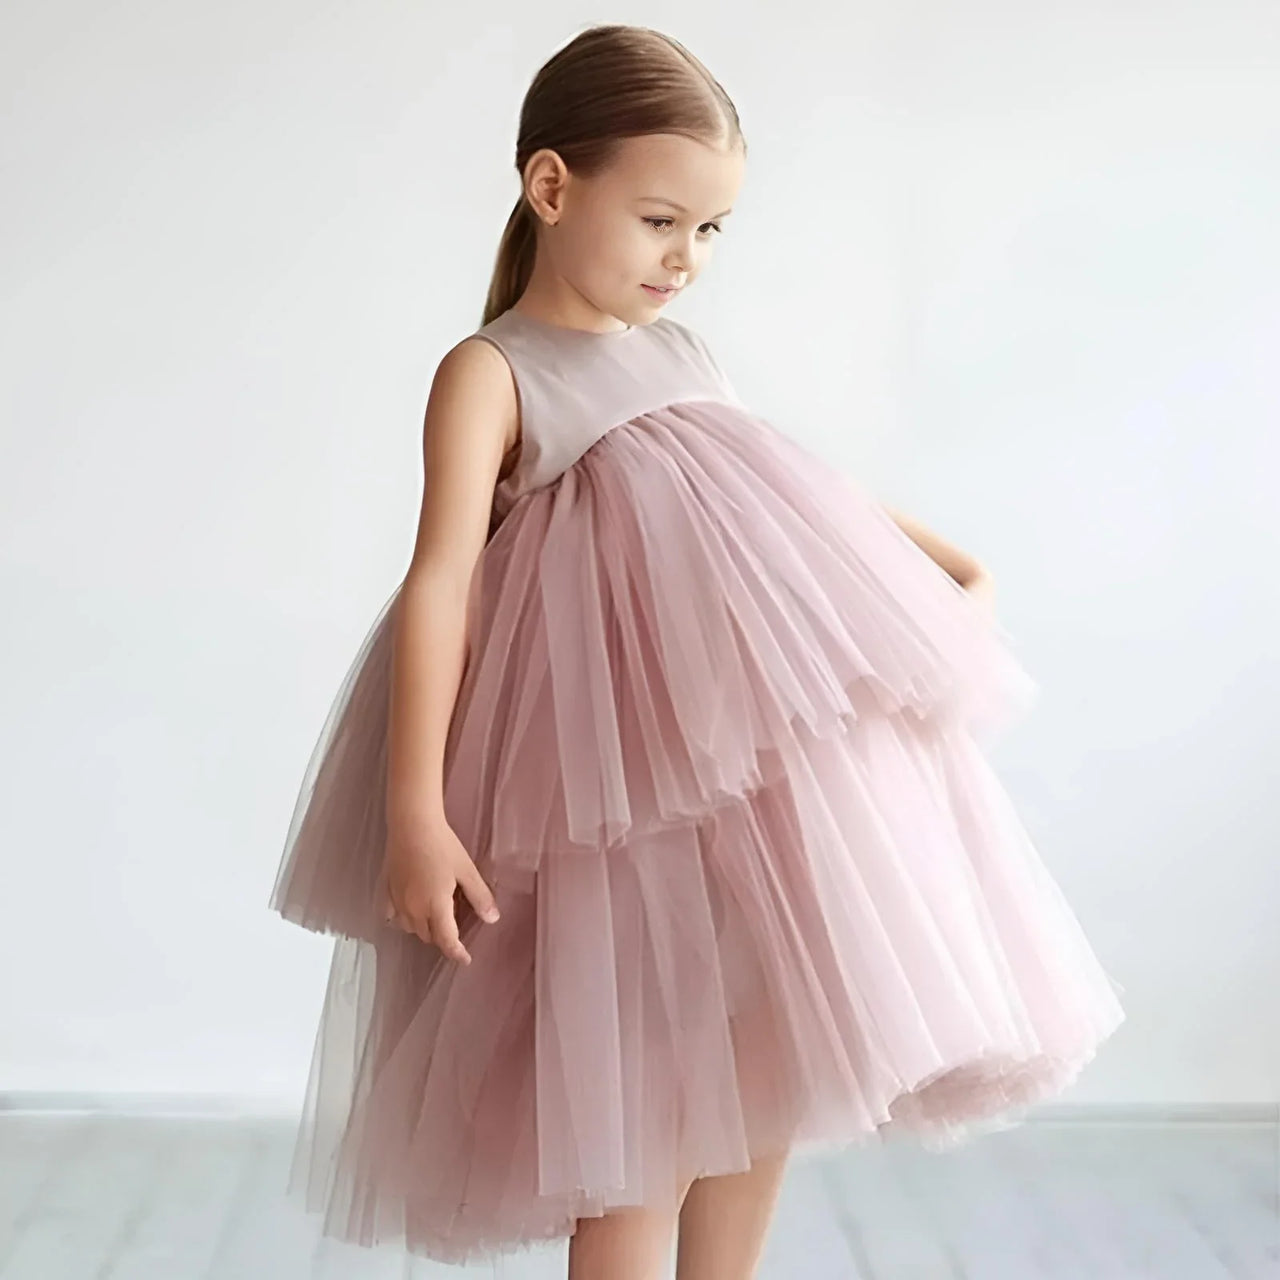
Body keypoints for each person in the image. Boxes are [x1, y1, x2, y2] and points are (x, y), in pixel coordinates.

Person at [268, 22, 1125, 1280]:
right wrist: (414, 812)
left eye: (711, 231)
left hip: (726, 767)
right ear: (552, 187)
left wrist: (945, 560)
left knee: (758, 1058)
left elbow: (787, 490)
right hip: (592, 791)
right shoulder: (493, 372)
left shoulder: (678, 350)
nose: (688, 259)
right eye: (662, 221)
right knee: (636, 1103)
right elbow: (439, 581)